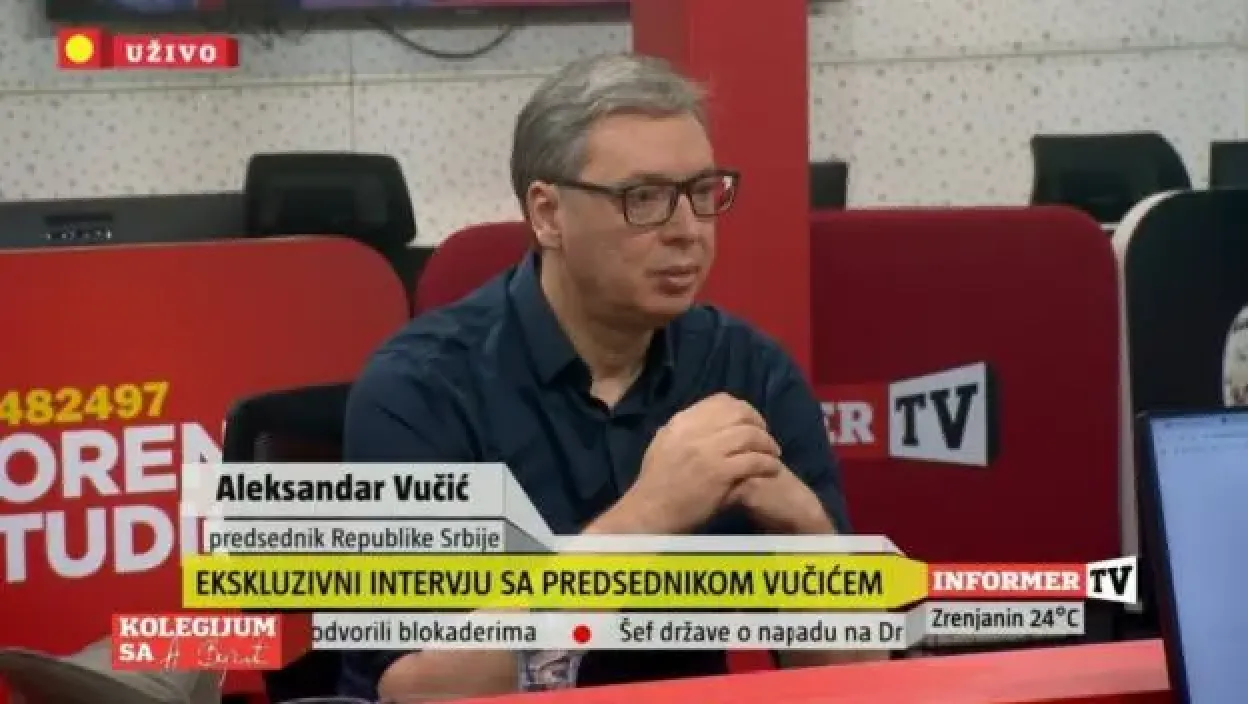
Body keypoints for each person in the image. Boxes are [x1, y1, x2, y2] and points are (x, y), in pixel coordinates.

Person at [340, 52, 870, 702]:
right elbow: (415, 688)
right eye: (643, 199)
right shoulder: (421, 390)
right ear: (548, 214)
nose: (687, 231)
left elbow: (857, 679)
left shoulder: (748, 371)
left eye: (702, 193)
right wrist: (647, 519)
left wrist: (807, 532)